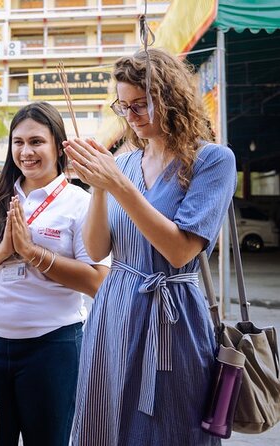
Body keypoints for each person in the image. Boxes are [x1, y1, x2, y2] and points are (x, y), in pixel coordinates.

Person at [65, 48, 237, 445]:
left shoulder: (212, 161)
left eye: (142, 104)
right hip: (114, 309)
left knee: (172, 423)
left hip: (171, 314)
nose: (132, 116)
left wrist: (117, 186)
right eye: (123, 106)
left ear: (170, 98)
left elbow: (180, 251)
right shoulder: (124, 163)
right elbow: (96, 250)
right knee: (105, 421)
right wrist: (97, 185)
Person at [0, 102, 110, 446]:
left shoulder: (79, 203)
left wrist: (34, 254)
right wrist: (4, 251)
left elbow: (98, 281)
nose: (26, 152)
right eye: (18, 142)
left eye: (37, 141)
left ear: (58, 145)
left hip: (53, 348)